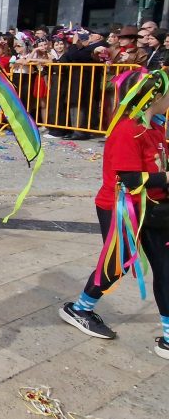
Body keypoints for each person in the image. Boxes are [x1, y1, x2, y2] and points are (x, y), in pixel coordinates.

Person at [58, 69, 169, 361]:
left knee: (166, 267)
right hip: (122, 208)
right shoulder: (125, 131)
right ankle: (80, 308)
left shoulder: (155, 127)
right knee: (116, 264)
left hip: (157, 210)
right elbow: (130, 179)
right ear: (154, 97)